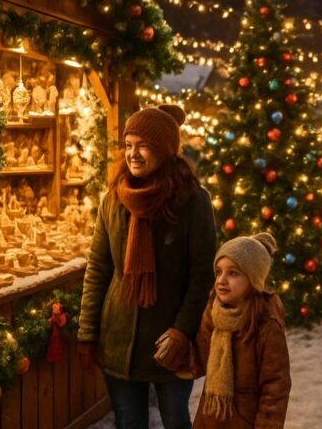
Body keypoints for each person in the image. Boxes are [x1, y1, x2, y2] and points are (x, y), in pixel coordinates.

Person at [77, 105, 217, 429]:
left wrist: (183, 331)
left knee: (176, 420)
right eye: (128, 145)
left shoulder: (193, 201)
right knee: (128, 421)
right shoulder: (113, 200)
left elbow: (201, 275)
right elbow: (98, 268)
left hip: (170, 343)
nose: (133, 154)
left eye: (143, 145)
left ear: (164, 149)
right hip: (119, 340)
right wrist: (87, 333)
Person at [193, 233, 291, 428]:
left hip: (245, 419)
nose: (222, 280)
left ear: (253, 279)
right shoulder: (214, 312)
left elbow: (275, 387)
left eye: (233, 273)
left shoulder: (266, 323)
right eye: (219, 272)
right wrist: (173, 348)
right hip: (211, 416)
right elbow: (199, 357)